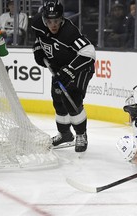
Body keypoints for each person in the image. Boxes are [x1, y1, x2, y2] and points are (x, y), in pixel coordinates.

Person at [31, 0, 96, 152]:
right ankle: (65, 134)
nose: (53, 25)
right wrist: (37, 49)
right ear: (44, 20)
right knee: (58, 100)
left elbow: (89, 53)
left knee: (72, 98)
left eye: (56, 21)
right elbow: (38, 39)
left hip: (80, 68)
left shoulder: (69, 32)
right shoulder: (37, 23)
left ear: (62, 19)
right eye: (49, 21)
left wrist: (69, 71)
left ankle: (81, 134)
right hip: (59, 68)